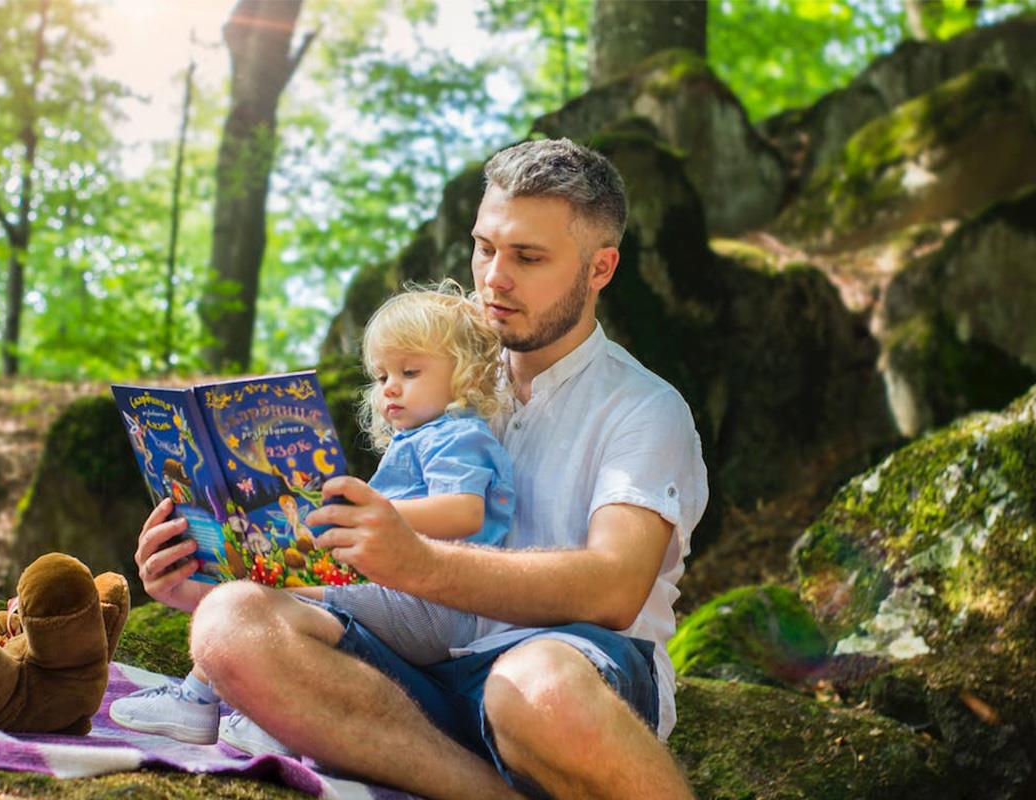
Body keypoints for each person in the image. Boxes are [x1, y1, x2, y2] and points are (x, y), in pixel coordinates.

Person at [136, 138, 705, 799]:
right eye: (486, 247)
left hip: (569, 676)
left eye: (528, 256)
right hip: (417, 674)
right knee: (230, 621)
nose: (494, 276)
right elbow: (368, 577)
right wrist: (206, 572)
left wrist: (415, 561)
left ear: (600, 268)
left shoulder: (642, 408)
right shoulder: (438, 376)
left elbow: (614, 588)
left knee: (534, 685)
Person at [111, 283, 516, 747]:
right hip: (400, 594)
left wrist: (372, 514)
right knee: (263, 593)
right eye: (381, 376)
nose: (391, 388)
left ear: (467, 374)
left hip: (432, 606)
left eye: (410, 370)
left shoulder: (459, 435)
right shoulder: (421, 439)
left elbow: (464, 511)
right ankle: (237, 706)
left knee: (278, 598)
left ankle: (214, 705)